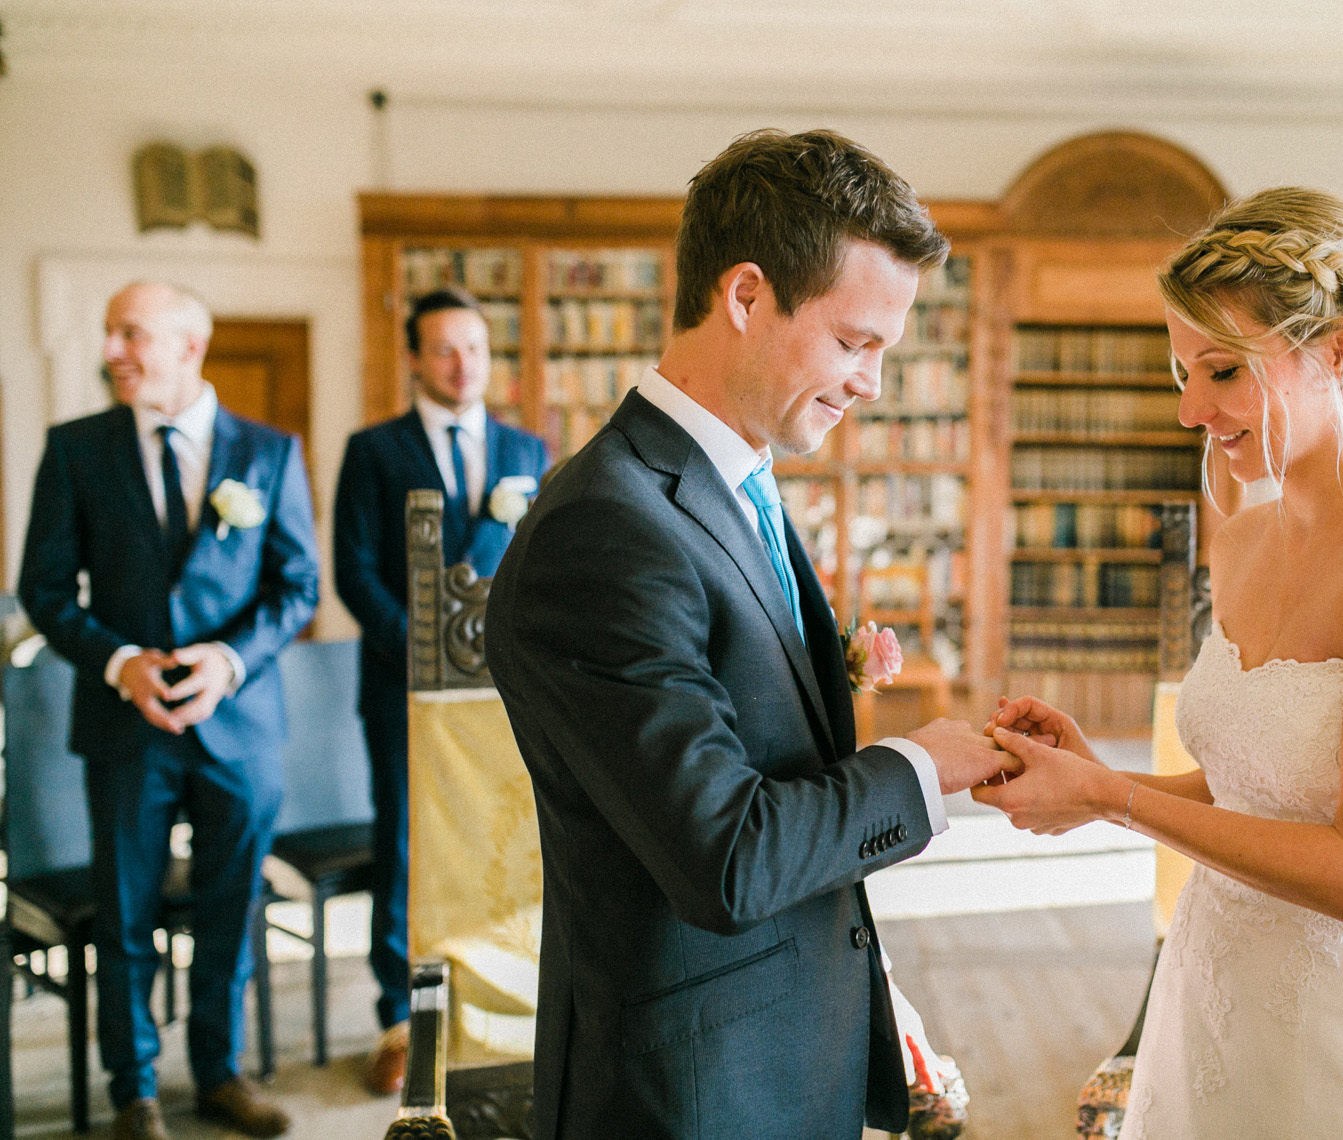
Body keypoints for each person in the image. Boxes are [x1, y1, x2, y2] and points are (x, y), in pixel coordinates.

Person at [484, 129, 1011, 1140]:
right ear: (745, 297)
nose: (873, 383)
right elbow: (726, 856)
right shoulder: (604, 530)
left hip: (774, 1045)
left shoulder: (734, 484)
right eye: (854, 343)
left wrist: (870, 997)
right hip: (688, 1095)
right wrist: (919, 768)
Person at [978, 188, 1343, 1139]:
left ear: (1342, 351)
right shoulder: (1243, 541)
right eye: (1182, 372)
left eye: (1222, 371)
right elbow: (1258, 792)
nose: (1192, 410)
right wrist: (1092, 782)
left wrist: (1112, 800)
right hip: (1214, 997)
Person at [18, 282, 319, 1140]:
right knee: (125, 914)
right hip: (126, 725)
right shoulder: (75, 450)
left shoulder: (269, 452)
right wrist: (122, 665)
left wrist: (227, 662)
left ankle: (220, 1073)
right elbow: (44, 588)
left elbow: (297, 585)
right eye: (109, 332)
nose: (112, 349)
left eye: (131, 333)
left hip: (240, 726)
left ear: (190, 345)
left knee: (233, 910)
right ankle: (135, 1091)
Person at [333, 287, 550, 1094]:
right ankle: (400, 1019)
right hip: (402, 687)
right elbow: (354, 571)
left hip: (507, 693)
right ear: (415, 359)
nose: (464, 365)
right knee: (405, 842)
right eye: (446, 350)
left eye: (476, 349)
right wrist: (421, 649)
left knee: (502, 838)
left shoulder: (527, 449)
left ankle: (500, 1006)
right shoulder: (373, 451)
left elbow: (544, 559)